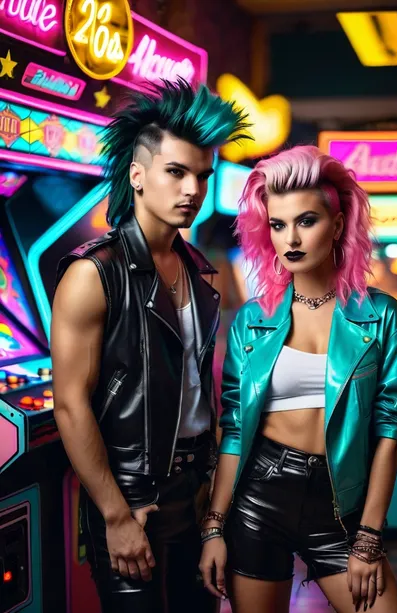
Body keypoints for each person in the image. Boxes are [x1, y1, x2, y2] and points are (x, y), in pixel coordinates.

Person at [199, 145, 397, 613]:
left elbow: (391, 432)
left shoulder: (381, 317)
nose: (291, 238)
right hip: (259, 499)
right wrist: (215, 528)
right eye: (278, 225)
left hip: (339, 507)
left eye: (306, 221)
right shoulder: (252, 321)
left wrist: (368, 538)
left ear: (339, 224)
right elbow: (236, 428)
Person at [51, 79, 250, 613]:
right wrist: (115, 516)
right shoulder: (94, 275)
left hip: (195, 489)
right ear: (138, 176)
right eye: (176, 172)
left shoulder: (200, 274)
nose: (193, 190)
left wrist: (211, 503)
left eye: (202, 177)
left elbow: (195, 392)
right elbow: (70, 403)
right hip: (132, 497)